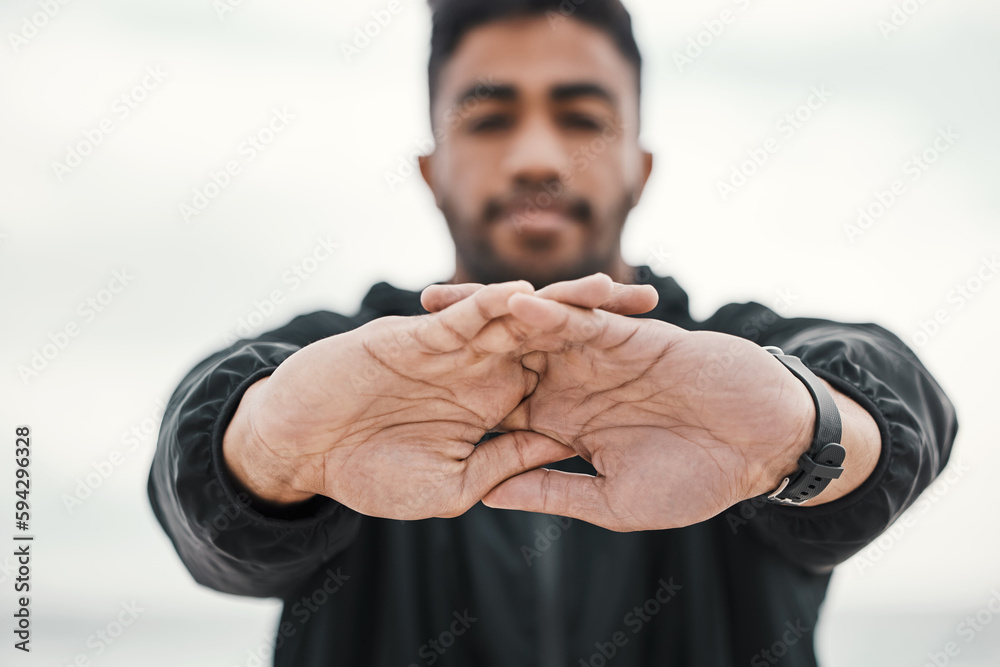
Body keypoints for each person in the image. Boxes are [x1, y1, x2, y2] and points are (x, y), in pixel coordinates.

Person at [147, 1, 958, 665]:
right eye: (490, 118)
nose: (536, 155)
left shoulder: (738, 362)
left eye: (580, 116)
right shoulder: (340, 372)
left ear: (639, 166)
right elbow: (201, 483)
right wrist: (270, 452)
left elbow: (900, 400)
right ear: (433, 170)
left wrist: (801, 430)